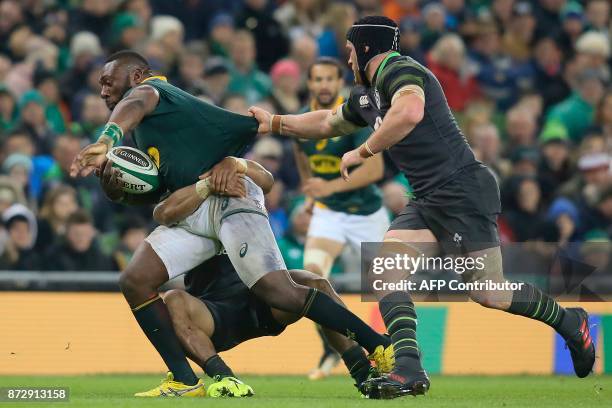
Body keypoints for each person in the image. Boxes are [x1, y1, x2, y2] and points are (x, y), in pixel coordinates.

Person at [249, 15, 595, 399]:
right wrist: (276, 122)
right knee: (384, 272)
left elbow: (410, 112)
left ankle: (570, 321)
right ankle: (409, 369)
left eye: (350, 51)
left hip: (462, 191)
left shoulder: (400, 69)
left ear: (366, 48)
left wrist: (364, 150)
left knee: (489, 293)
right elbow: (327, 122)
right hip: (429, 199)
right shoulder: (366, 95)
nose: (347, 61)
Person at [69, 50, 392, 397]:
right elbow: (161, 206)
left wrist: (106, 139)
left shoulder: (152, 92)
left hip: (230, 197)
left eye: (107, 81)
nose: (102, 91)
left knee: (278, 289)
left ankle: (378, 345)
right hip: (198, 215)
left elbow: (136, 104)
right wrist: (117, 189)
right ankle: (184, 379)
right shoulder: (149, 135)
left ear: (136, 76)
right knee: (135, 280)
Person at [152, 176, 385, 398]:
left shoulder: (240, 191)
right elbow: (161, 213)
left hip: (263, 298)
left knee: (316, 282)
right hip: (215, 312)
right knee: (173, 298)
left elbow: (264, 179)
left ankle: (364, 375)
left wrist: (234, 166)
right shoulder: (186, 214)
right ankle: (224, 378)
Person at [293, 57, 388, 379]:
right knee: (313, 278)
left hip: (367, 215)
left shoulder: (353, 117)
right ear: (309, 83)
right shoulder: (303, 121)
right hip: (329, 214)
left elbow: (375, 169)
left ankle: (400, 353)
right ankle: (339, 347)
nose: (323, 85)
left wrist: (327, 186)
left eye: (329, 80)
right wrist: (311, 197)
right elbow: (302, 159)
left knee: (389, 288)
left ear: (339, 83)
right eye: (317, 79)